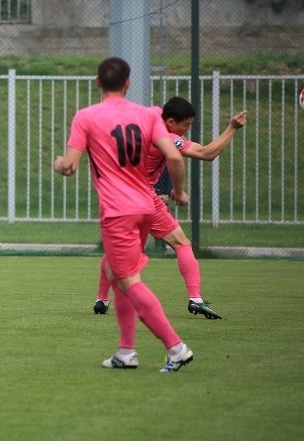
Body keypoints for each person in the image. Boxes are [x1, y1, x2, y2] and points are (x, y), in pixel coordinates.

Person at [54, 57, 193, 372]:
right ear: (128, 83)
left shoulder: (87, 116)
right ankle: (126, 351)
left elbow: (70, 167)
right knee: (120, 277)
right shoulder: (148, 115)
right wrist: (180, 191)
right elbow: (174, 156)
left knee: (129, 280)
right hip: (146, 206)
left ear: (97, 83)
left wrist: (59, 163)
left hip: (118, 211)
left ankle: (176, 348)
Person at [93, 97, 247, 319]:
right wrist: (232, 127)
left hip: (117, 195)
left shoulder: (146, 119)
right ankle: (195, 299)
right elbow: (207, 153)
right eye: (186, 125)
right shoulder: (167, 138)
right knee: (182, 244)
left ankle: (101, 299)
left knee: (116, 249)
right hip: (142, 196)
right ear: (171, 121)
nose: (187, 129)